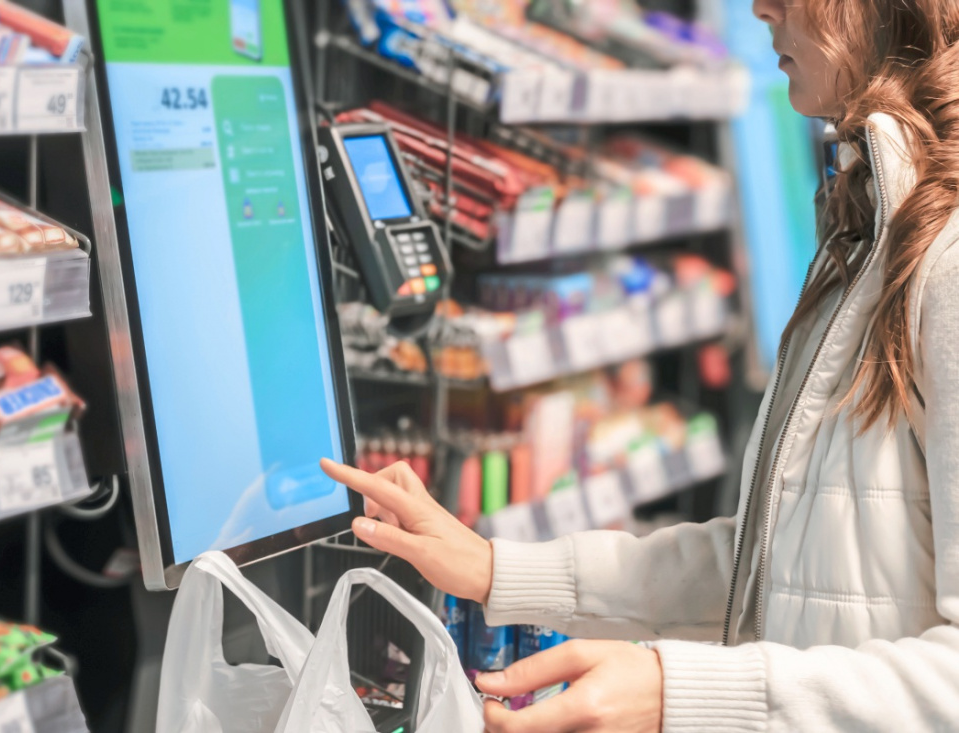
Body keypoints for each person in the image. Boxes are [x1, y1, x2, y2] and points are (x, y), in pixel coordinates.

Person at [321, 0, 959, 730]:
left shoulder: (946, 260)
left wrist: (676, 691)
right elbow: (770, 570)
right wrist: (497, 568)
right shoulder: (872, 226)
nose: (761, 8)